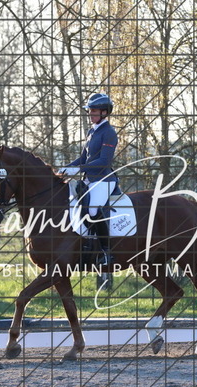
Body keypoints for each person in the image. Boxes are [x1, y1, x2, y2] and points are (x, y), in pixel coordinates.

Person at [59, 93, 118, 265]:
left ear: (104, 112)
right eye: (89, 110)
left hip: (104, 180)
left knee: (92, 210)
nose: (90, 114)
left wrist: (79, 169)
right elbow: (84, 158)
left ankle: (106, 252)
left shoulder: (109, 132)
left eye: (93, 111)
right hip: (89, 179)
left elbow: (104, 161)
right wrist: (67, 167)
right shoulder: (92, 131)